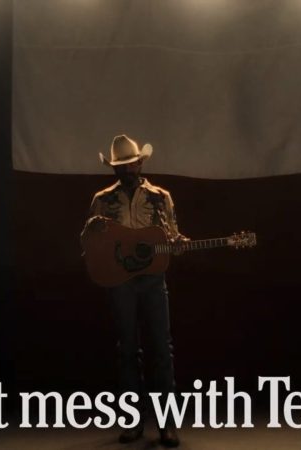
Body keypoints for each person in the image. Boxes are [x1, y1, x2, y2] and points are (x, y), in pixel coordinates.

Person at [82, 134, 187, 447]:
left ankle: (168, 425)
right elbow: (87, 243)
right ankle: (132, 422)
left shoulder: (161, 197)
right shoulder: (101, 199)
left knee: (161, 350)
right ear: (114, 168)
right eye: (120, 166)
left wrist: (178, 245)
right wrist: (100, 250)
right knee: (127, 349)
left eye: (131, 164)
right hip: (119, 281)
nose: (126, 170)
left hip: (153, 279)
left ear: (141, 162)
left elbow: (172, 237)